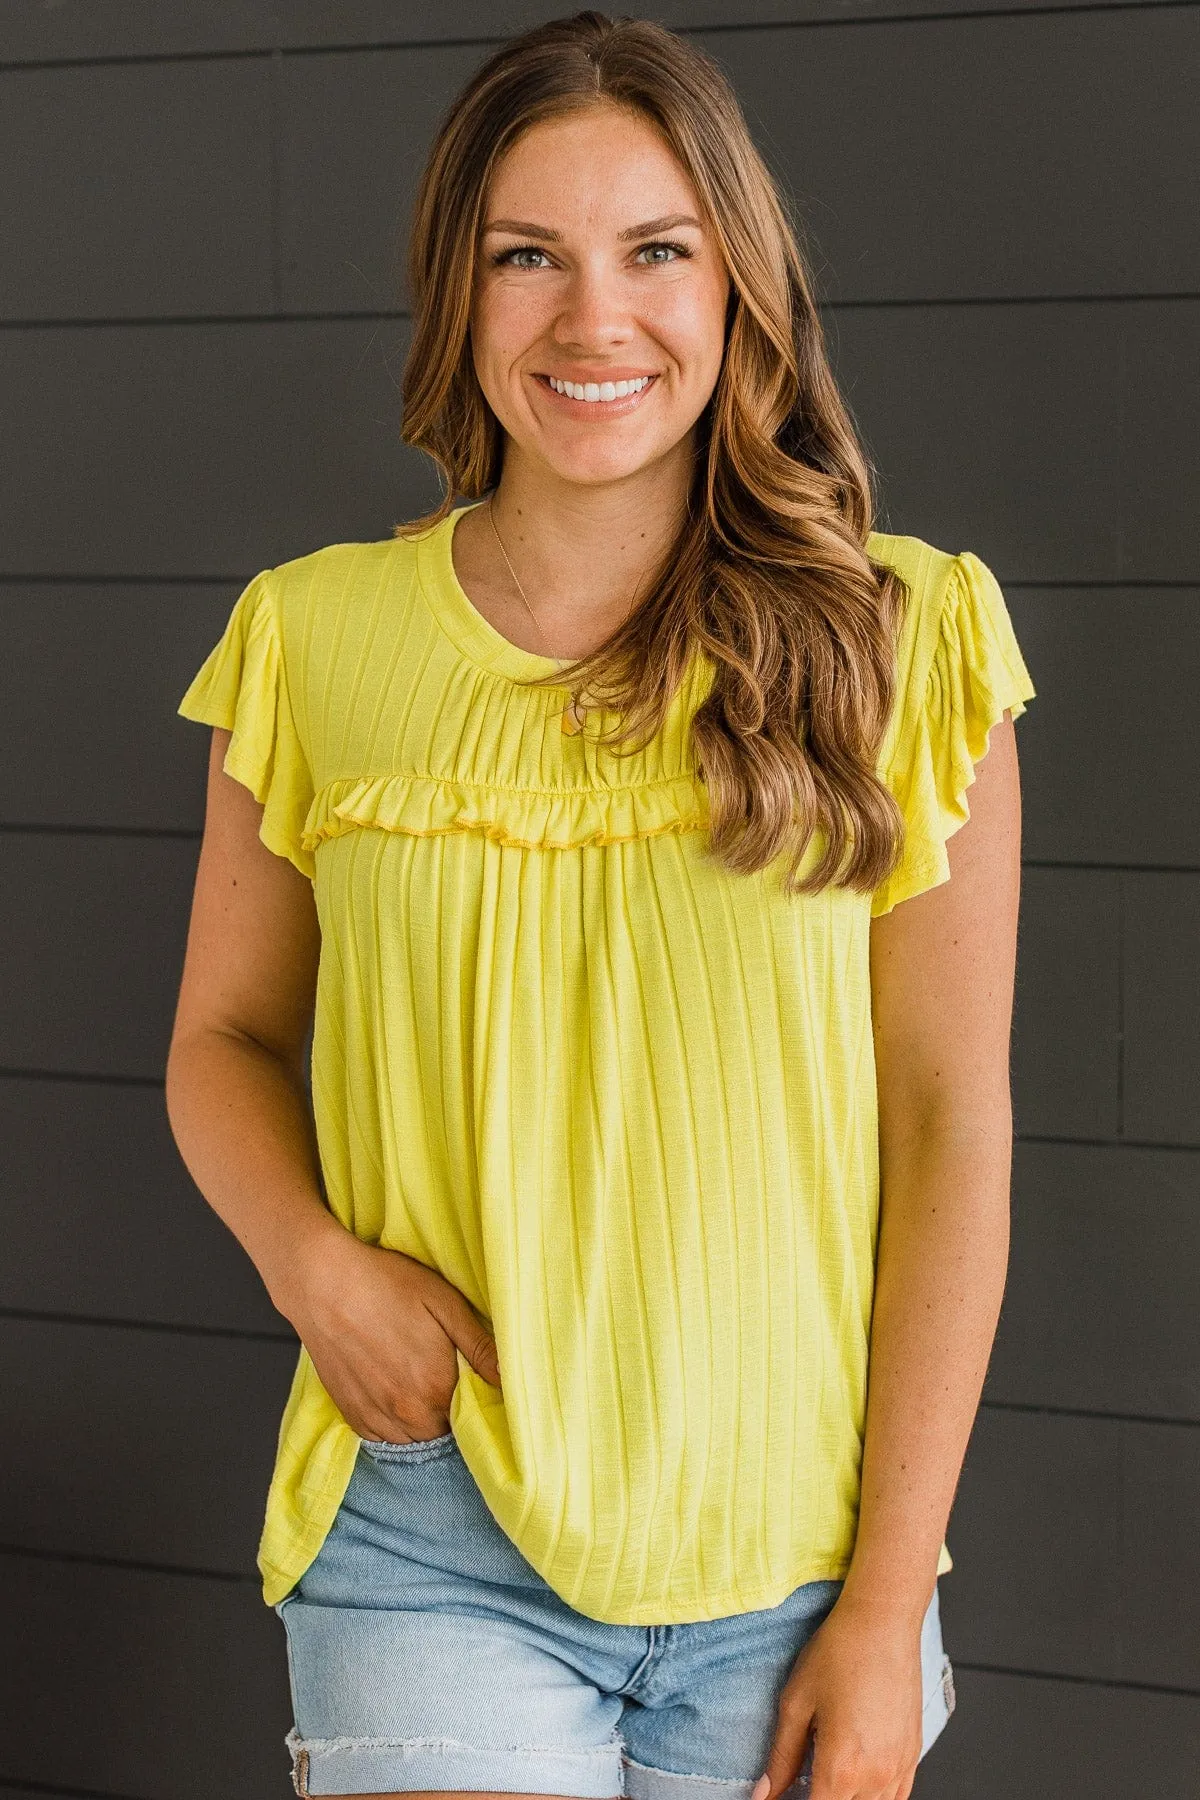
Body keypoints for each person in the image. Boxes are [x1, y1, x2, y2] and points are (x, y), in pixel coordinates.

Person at [166, 12, 1036, 1800]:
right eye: (527, 259)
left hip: (798, 1556)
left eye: (656, 252)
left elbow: (952, 1126)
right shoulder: (314, 639)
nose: (594, 320)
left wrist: (886, 1602)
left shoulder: (903, 639)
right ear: (457, 293)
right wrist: (310, 1263)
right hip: (434, 1528)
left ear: (737, 287)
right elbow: (222, 1040)